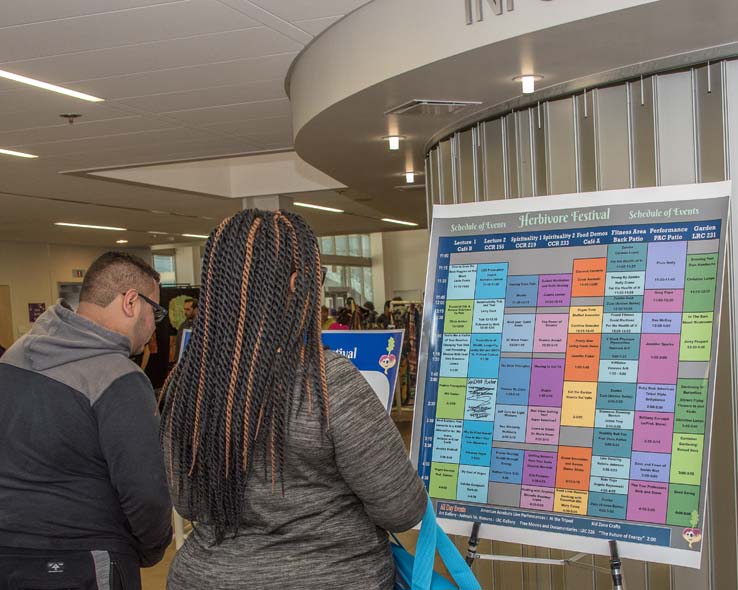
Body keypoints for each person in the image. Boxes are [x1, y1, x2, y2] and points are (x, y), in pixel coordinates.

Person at [160, 210, 426, 590]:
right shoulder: (328, 383)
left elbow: (186, 503)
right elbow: (401, 508)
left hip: (205, 576)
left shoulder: (187, 383)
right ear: (297, 284)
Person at [0, 252, 173, 590]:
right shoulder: (118, 377)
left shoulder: (15, 355)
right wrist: (150, 550)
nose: (154, 325)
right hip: (85, 559)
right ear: (131, 302)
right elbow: (146, 492)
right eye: (156, 311)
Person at [174, 297, 198, 361]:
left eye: (188, 309)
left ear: (195, 309)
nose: (185, 312)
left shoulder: (202, 326)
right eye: (184, 309)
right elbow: (179, 345)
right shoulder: (183, 325)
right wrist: (176, 361)